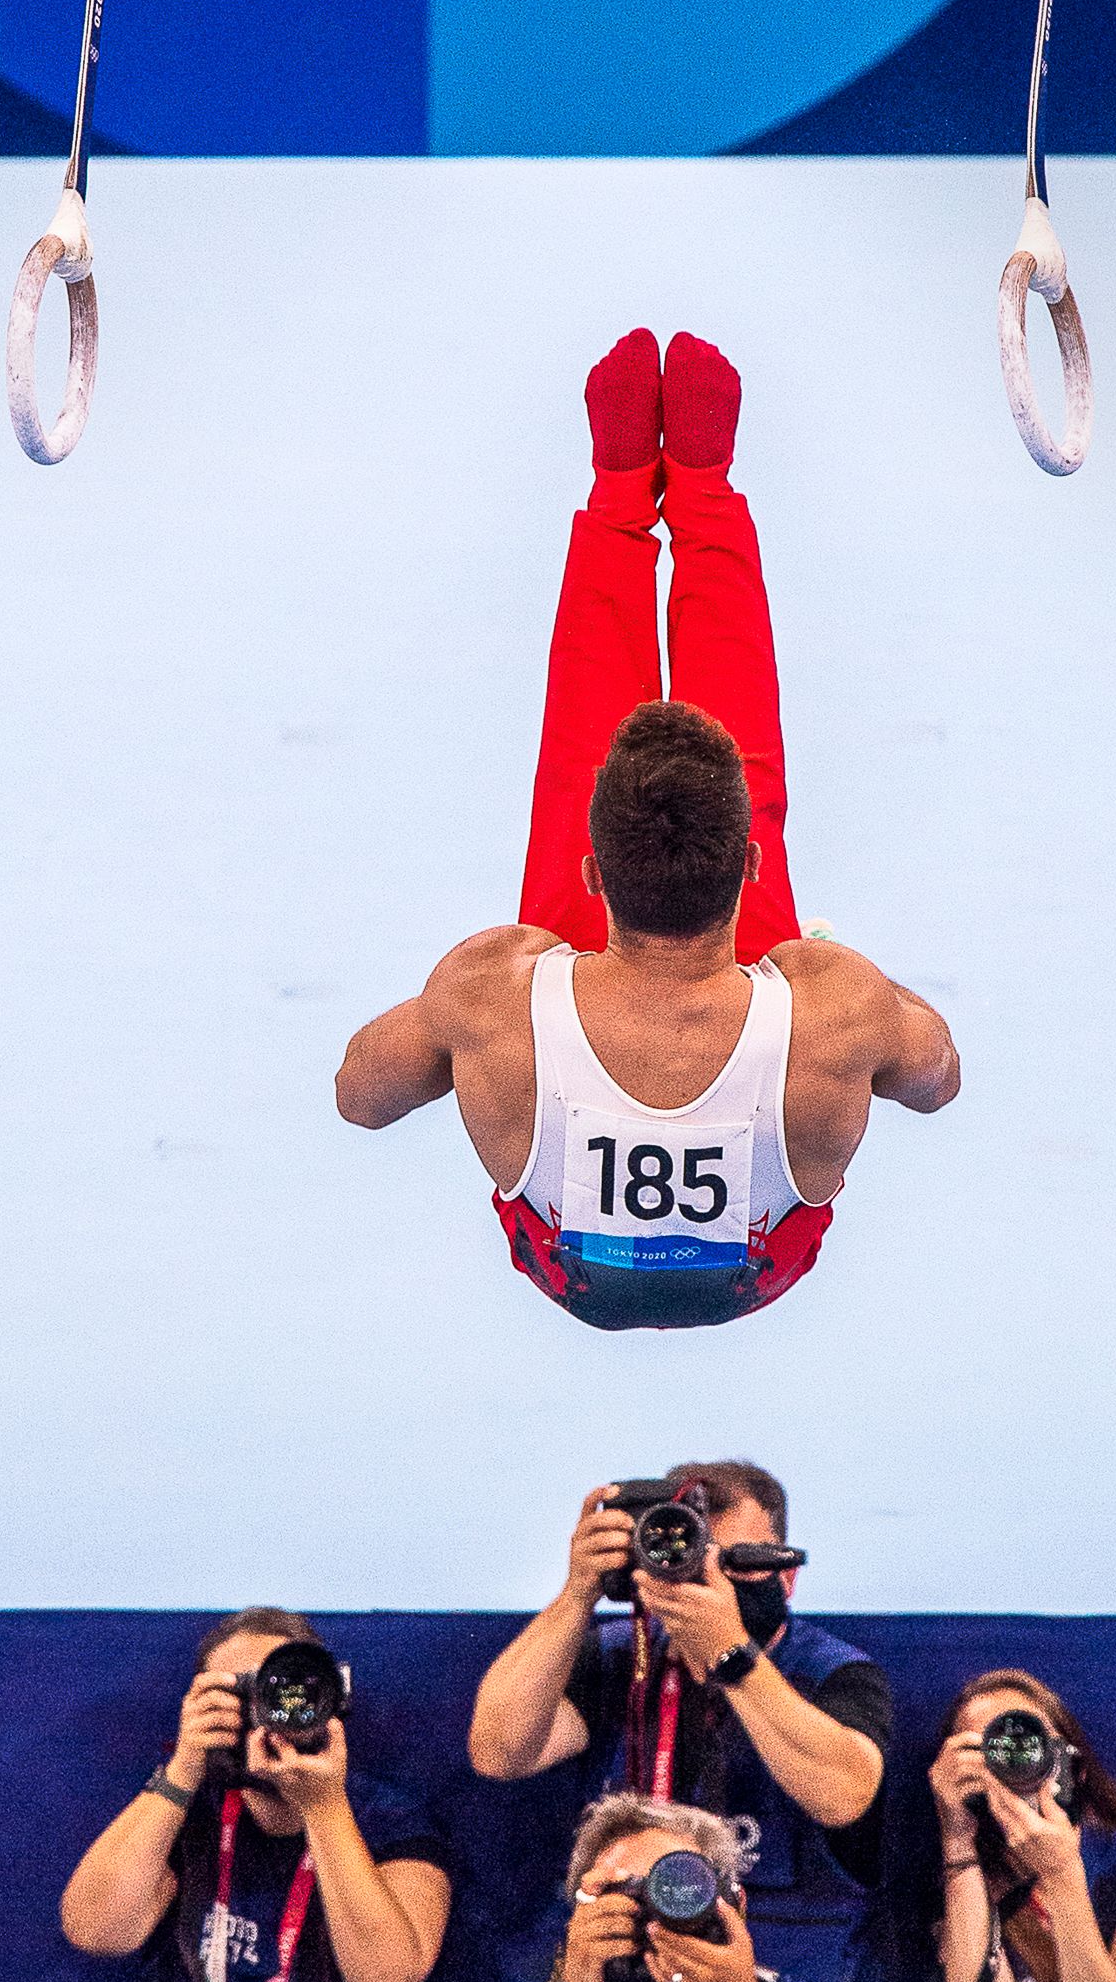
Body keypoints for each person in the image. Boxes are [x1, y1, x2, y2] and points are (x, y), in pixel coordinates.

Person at [335, 329, 958, 1331]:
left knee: (589, 826)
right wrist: (842, 969)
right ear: (747, 866)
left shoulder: (495, 992)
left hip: (567, 1259)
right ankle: (694, 487)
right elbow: (938, 1079)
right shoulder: (836, 1012)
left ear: (595, 867)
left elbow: (358, 1097)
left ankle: (628, 488)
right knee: (714, 786)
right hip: (755, 1264)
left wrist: (449, 1017)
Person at [468, 1460, 890, 1982]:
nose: (709, 1577)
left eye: (732, 1562)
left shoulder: (834, 1673)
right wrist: (578, 1593)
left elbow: (844, 1794)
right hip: (625, 1968)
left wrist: (732, 1657)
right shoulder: (623, 1655)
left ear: (787, 1575)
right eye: (691, 1553)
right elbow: (498, 1749)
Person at [60, 1607, 451, 1982]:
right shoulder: (188, 1807)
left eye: (285, 1688)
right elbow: (96, 1931)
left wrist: (324, 1807)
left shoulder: (387, 1817)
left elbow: (387, 1980)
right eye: (243, 1693)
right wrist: (183, 1769)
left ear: (330, 1699)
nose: (265, 1713)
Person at [922, 1669, 1116, 1982]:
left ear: (1076, 1766)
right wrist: (957, 1842)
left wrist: (1060, 1873)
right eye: (989, 1747)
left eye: (1029, 1741)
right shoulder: (964, 1878)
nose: (1012, 1758)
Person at [536, 1794, 831, 1982]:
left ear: (735, 1904)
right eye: (634, 1893)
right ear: (581, 1912)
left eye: (680, 1884)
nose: (659, 1910)